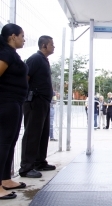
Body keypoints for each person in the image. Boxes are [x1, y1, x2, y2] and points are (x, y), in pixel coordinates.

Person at [19, 35, 56, 178]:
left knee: (43, 133)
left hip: (44, 102)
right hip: (34, 101)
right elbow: (25, 78)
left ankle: (39, 161)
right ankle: (26, 168)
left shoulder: (44, 60)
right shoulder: (35, 59)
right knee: (32, 134)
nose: (53, 47)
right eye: (52, 44)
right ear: (44, 46)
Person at [0, 23, 27, 200]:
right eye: (22, 36)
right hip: (6, 102)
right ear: (12, 36)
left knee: (10, 141)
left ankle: (5, 179)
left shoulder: (12, 54)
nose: (24, 39)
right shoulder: (5, 53)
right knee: (3, 142)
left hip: (15, 102)